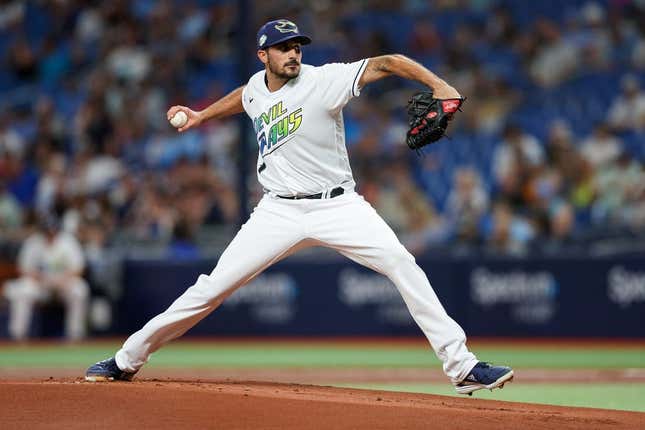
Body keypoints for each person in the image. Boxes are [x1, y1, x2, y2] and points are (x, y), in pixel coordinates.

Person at [86, 19, 513, 395]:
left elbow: (388, 61)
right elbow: (246, 97)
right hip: (278, 212)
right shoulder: (257, 85)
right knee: (211, 288)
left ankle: (462, 367)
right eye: (284, 47)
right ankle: (126, 360)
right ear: (263, 55)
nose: (293, 53)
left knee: (403, 264)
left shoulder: (323, 80)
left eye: (297, 46)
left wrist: (438, 86)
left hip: (339, 206)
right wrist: (201, 116)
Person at [3, 215, 89, 340]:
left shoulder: (68, 241)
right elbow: (22, 268)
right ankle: (18, 336)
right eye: (47, 231)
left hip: (63, 283)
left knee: (80, 290)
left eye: (53, 230)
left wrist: (63, 279)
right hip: (40, 285)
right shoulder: (33, 242)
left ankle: (75, 336)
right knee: (23, 291)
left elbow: (79, 268)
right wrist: (38, 277)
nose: (50, 233)